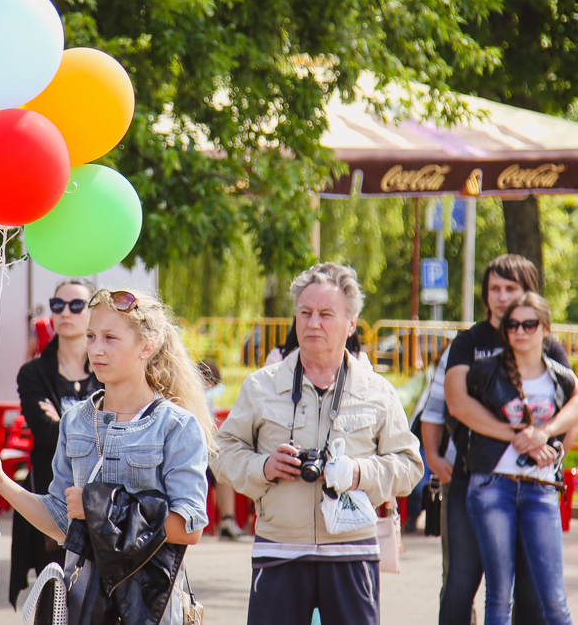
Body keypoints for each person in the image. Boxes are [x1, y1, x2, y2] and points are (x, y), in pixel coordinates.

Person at [0, 289, 214, 623]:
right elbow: (61, 522)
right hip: (81, 606)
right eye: (91, 336)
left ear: (147, 346)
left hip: (151, 609)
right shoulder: (75, 421)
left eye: (111, 338)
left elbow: (189, 528)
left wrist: (100, 507)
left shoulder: (176, 426)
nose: (96, 349)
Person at [212, 262, 423, 625]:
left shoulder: (377, 391)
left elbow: (409, 465)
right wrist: (263, 467)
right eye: (305, 313)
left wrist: (359, 472)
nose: (313, 323)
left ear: (351, 323)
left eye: (326, 314)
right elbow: (221, 453)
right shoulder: (261, 386)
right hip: (279, 550)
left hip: (352, 552)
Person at [440, 254, 577, 625]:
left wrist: (546, 440)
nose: (501, 298)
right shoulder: (471, 342)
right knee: (462, 583)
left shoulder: (548, 348)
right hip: (477, 477)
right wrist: (521, 436)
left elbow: (572, 407)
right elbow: (457, 403)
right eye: (494, 289)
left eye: (510, 289)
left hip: (537, 483)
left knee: (535, 595)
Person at [9, 279, 102, 608]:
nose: (66, 312)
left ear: (91, 311)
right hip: (49, 496)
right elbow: (44, 433)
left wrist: (63, 423)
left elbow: (120, 430)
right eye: (57, 304)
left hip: (101, 499)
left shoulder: (107, 370)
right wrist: (90, 427)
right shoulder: (34, 372)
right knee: (52, 599)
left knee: (97, 598)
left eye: (77, 305)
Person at [198, 359, 250, 541]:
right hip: (195, 453)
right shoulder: (194, 397)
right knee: (222, 465)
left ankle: (227, 521)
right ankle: (226, 521)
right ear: (210, 383)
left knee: (224, 467)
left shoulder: (205, 399)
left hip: (205, 452)